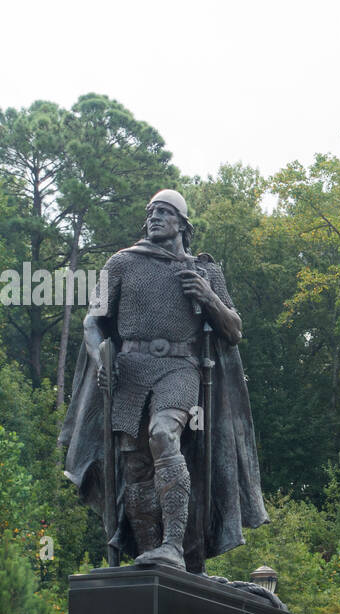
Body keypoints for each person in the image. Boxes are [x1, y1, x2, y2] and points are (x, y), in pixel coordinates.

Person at [59, 189, 268, 573]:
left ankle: (174, 545)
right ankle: (150, 553)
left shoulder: (206, 272)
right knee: (136, 466)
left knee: (163, 435)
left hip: (180, 366)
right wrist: (98, 357)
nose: (154, 217)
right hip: (130, 370)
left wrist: (209, 298)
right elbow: (92, 321)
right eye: (151, 211)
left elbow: (234, 330)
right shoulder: (121, 263)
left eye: (164, 212)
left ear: (182, 224)